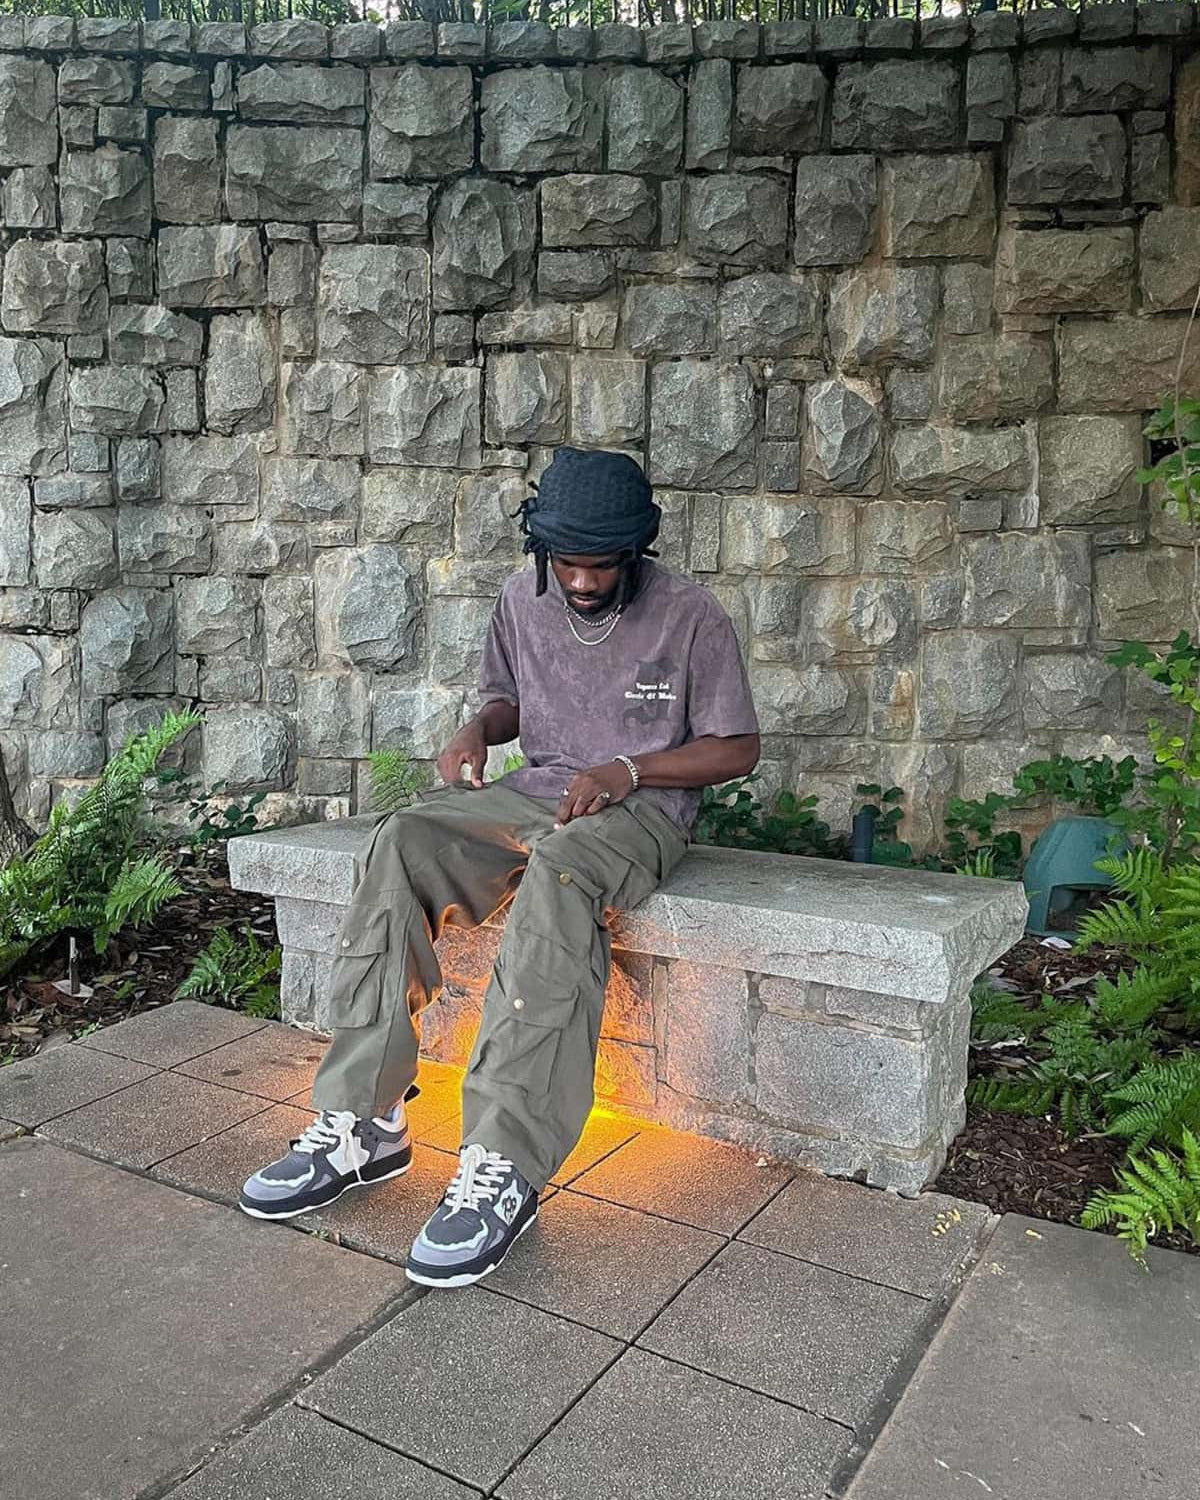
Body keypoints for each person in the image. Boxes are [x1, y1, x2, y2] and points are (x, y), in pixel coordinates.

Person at [239, 447, 761, 1287]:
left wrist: (629, 770)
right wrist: (477, 730)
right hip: (538, 790)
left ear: (636, 550)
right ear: (541, 550)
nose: (582, 581)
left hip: (643, 810)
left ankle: (503, 1160)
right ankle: (363, 1121)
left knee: (559, 871)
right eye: (567, 563)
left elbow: (737, 748)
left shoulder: (691, 615)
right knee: (402, 840)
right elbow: (508, 702)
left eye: (602, 565)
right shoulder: (523, 598)